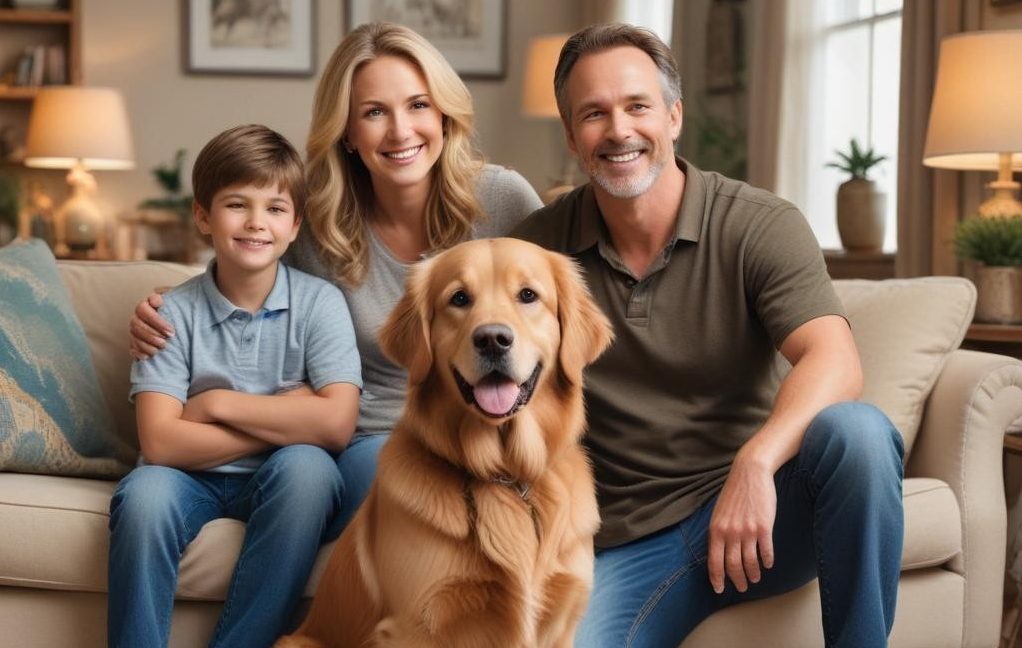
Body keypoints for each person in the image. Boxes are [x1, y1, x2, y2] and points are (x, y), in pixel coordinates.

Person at [511, 24, 904, 648]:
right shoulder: (537, 249)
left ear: (673, 116)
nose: (618, 130)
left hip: (763, 515)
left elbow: (834, 358)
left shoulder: (758, 224)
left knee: (858, 433)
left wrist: (757, 461)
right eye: (594, 114)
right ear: (571, 136)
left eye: (637, 106)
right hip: (626, 539)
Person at [128, 23, 542, 534]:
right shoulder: (318, 224)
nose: (400, 131)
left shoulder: (505, 199)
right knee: (402, 493)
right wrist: (175, 301)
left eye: (418, 105)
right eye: (374, 113)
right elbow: (249, 281)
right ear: (346, 131)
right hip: (373, 440)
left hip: (495, 424)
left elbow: (559, 306)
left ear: (444, 112)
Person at [109, 124, 362, 648]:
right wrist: (289, 418)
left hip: (280, 476)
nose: (255, 223)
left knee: (310, 469)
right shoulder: (170, 313)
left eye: (274, 208)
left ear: (296, 224)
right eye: (235, 205)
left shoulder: (321, 303)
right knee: (144, 498)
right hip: (184, 478)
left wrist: (216, 404)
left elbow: (336, 426)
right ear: (203, 216)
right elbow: (160, 443)